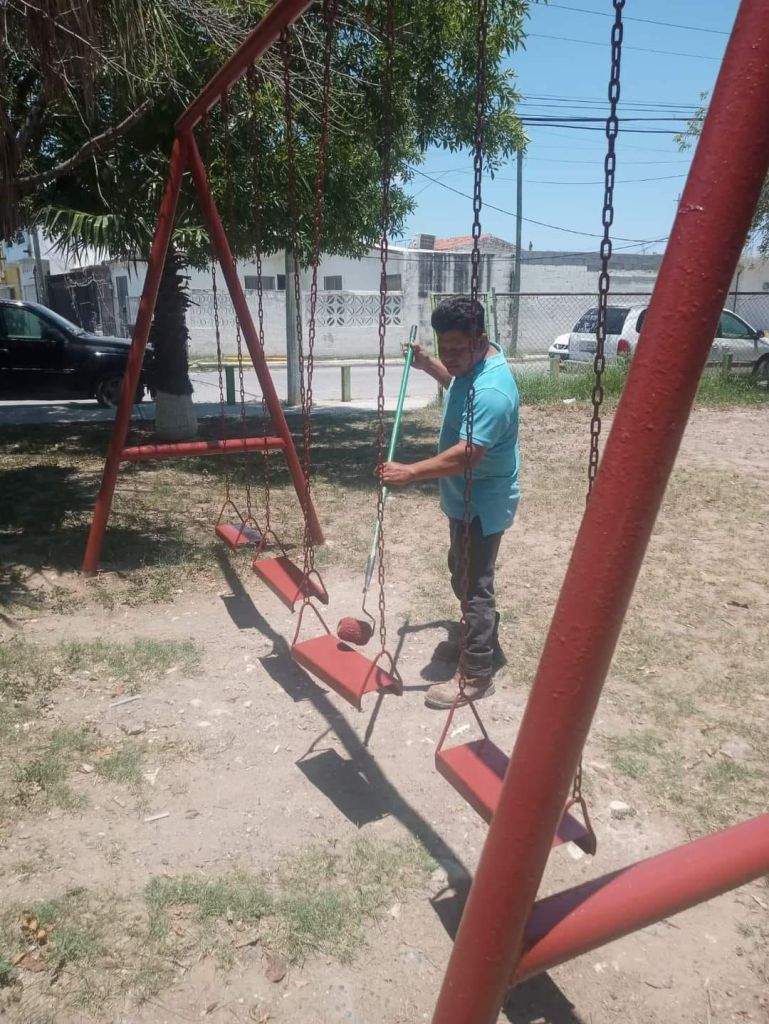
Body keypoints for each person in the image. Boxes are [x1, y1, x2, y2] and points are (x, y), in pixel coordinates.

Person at [379, 296, 520, 709]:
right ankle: (480, 636)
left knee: (475, 585)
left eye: (458, 349)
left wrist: (410, 472)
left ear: (482, 340)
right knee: (460, 571)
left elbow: (468, 454)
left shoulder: (492, 390)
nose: (451, 357)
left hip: (483, 503)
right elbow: (457, 384)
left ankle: (477, 673)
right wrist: (428, 365)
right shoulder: (471, 367)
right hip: (462, 498)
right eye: (445, 348)